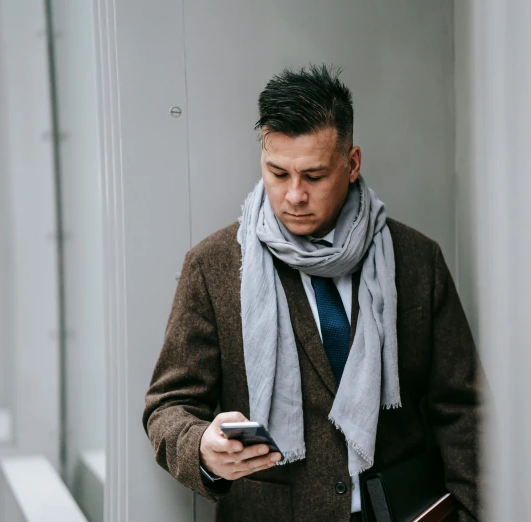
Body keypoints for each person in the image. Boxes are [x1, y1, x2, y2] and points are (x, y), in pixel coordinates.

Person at [143, 64, 482, 521]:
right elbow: (169, 406)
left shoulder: (417, 259)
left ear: (352, 163)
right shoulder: (213, 265)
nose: (294, 196)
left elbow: (463, 409)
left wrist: (470, 512)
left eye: (315, 176)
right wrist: (202, 448)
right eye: (277, 173)